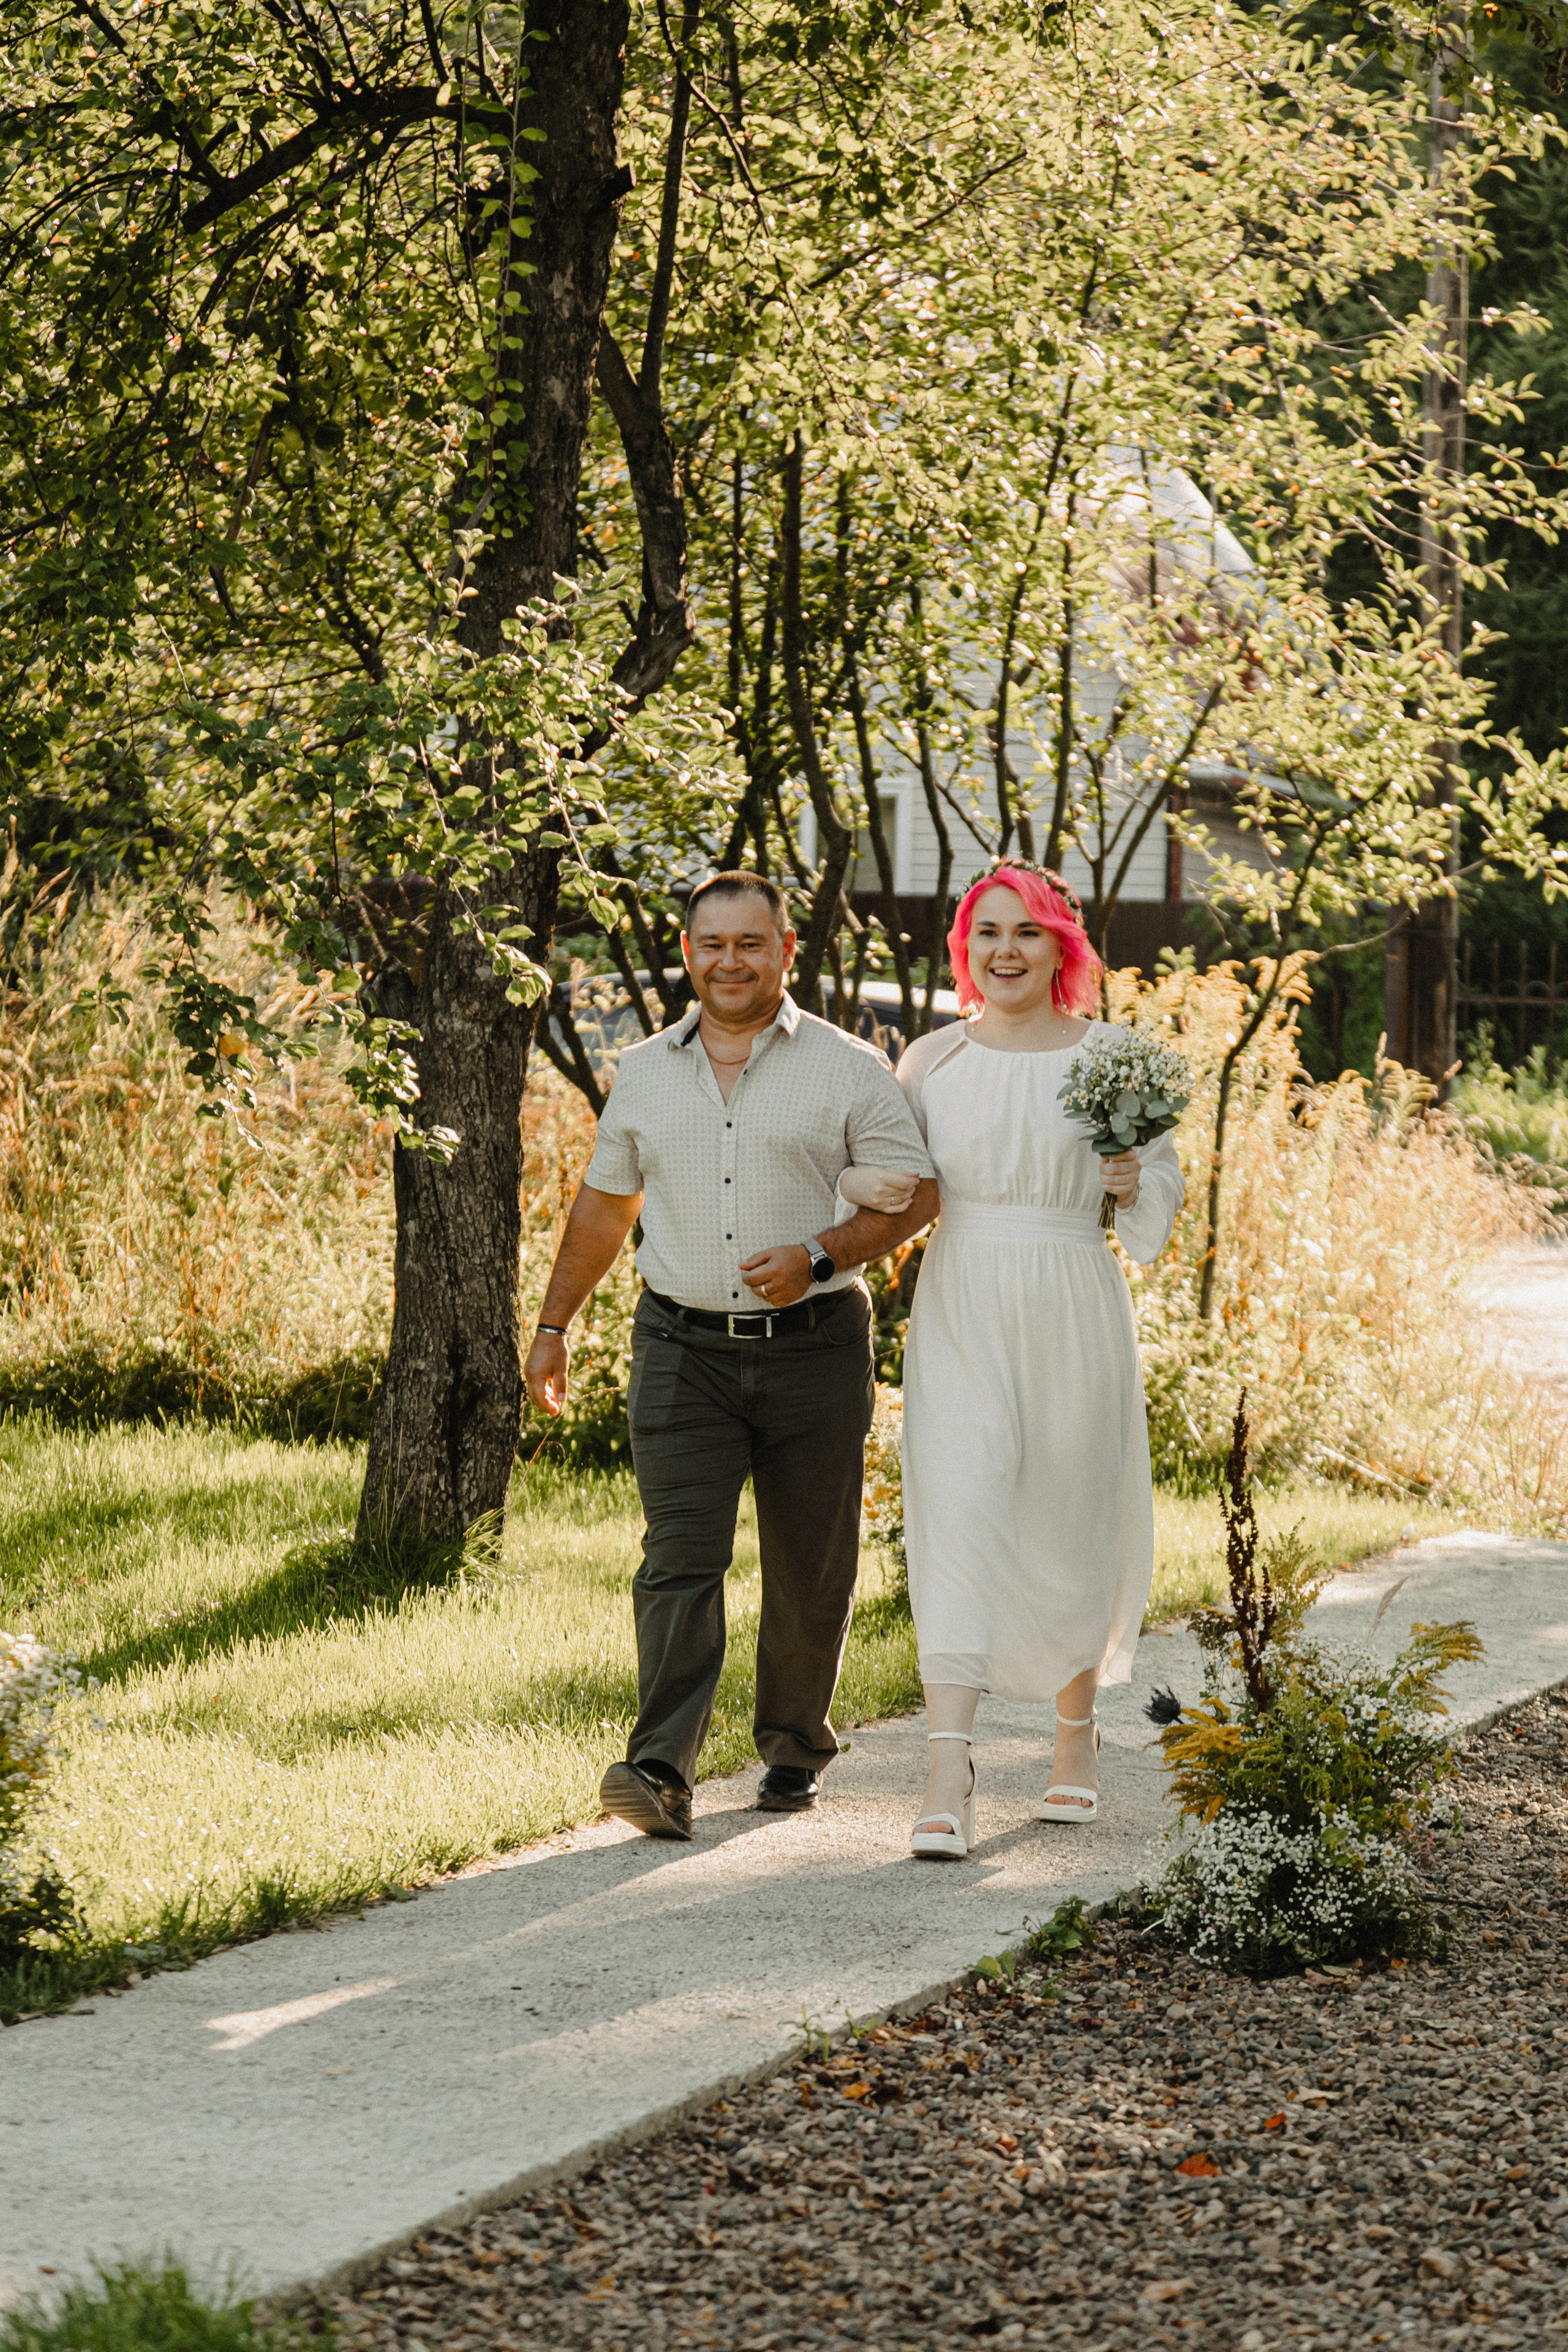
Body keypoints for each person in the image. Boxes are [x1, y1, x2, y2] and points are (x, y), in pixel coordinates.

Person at [524, 872, 939, 1842]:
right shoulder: (644, 1072)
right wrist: (553, 1324)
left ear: (786, 952)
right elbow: (604, 1205)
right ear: (687, 954)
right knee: (678, 1559)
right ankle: (660, 1767)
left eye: (751, 943)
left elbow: (916, 1193)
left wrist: (824, 1254)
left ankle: (794, 1750)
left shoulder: (846, 1067)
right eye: (713, 944)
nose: (730, 962)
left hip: (816, 1353)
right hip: (680, 1348)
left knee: (811, 1562)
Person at [838, 864, 1183, 1857]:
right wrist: (863, 1176)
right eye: (987, 931)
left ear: (1062, 948)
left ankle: (1075, 1741)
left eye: (1028, 932)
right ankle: (951, 1768)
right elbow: (893, 1177)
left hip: (1072, 1291)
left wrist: (1128, 1182)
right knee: (961, 1505)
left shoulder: (1116, 1058)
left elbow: (1156, 1207)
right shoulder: (931, 1061)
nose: (1006, 949)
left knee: (1068, 1510)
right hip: (964, 1296)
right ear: (964, 948)